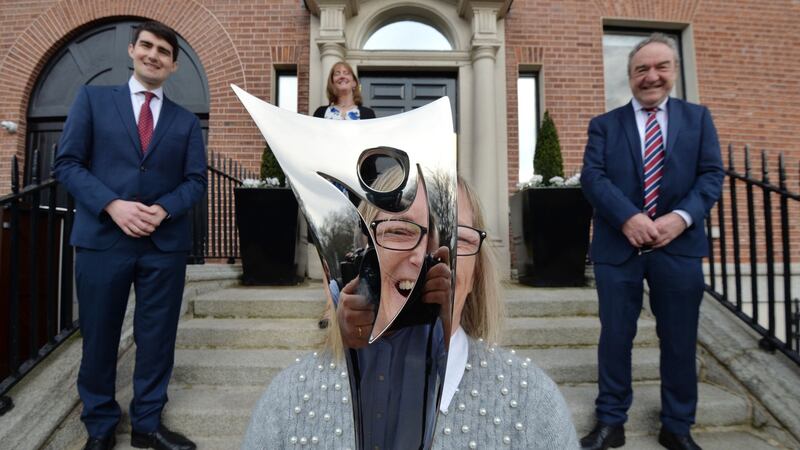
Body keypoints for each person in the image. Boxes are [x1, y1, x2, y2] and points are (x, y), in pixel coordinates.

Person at [242, 178, 579, 449]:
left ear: (476, 273)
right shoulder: (288, 401)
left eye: (456, 238)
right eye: (400, 231)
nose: (426, 257)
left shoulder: (533, 402)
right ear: (362, 256)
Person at [54, 20, 206, 450]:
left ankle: (147, 425)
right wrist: (112, 204)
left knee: (157, 339)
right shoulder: (94, 100)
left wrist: (163, 209)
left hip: (164, 246)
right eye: (147, 46)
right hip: (103, 240)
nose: (154, 55)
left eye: (164, 51)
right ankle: (100, 427)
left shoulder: (185, 122)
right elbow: (67, 164)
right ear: (132, 50)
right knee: (100, 335)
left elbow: (195, 181)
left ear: (174, 66)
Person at [579, 33, 724, 450]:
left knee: (679, 339)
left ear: (674, 72)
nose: (651, 76)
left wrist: (679, 219)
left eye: (661, 67)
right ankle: (611, 421)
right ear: (630, 75)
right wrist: (628, 218)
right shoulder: (605, 125)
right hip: (617, 248)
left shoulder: (698, 119)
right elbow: (593, 177)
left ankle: (677, 425)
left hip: (678, 248)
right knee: (615, 336)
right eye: (642, 69)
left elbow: (711, 176)